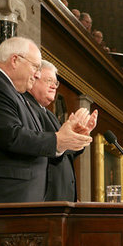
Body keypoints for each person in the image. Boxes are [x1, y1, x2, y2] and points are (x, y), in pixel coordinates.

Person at [0, 37, 92, 204]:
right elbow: (12, 136)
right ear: (15, 60)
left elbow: (33, 138)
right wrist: (58, 140)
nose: (37, 74)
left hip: (22, 199)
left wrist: (65, 139)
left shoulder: (15, 94)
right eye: (35, 67)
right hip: (4, 199)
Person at [24, 60, 97, 201]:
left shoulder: (49, 114)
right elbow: (39, 146)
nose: (54, 86)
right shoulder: (26, 108)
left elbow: (62, 153)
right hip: (44, 197)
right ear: (34, 78)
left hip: (61, 198)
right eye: (49, 80)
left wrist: (78, 137)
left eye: (56, 83)